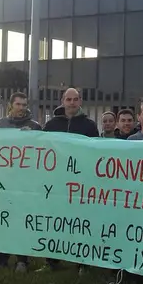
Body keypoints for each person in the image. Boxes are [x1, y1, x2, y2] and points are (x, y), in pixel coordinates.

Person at [38, 88, 99, 274]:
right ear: (62, 101)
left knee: (80, 222)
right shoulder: (51, 124)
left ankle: (82, 263)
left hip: (80, 183)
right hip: (57, 182)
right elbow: (41, 148)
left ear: (80, 101)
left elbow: (96, 151)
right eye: (68, 99)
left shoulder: (89, 125)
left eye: (75, 99)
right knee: (55, 221)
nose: (72, 103)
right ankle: (51, 261)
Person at [0, 92, 41, 273]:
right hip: (4, 179)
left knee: (21, 219)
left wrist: (30, 137)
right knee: (1, 219)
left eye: (24, 105)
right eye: (18, 104)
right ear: (11, 105)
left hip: (25, 180)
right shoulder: (2, 124)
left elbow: (41, 150)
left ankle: (22, 261)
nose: (21, 108)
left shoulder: (35, 126)